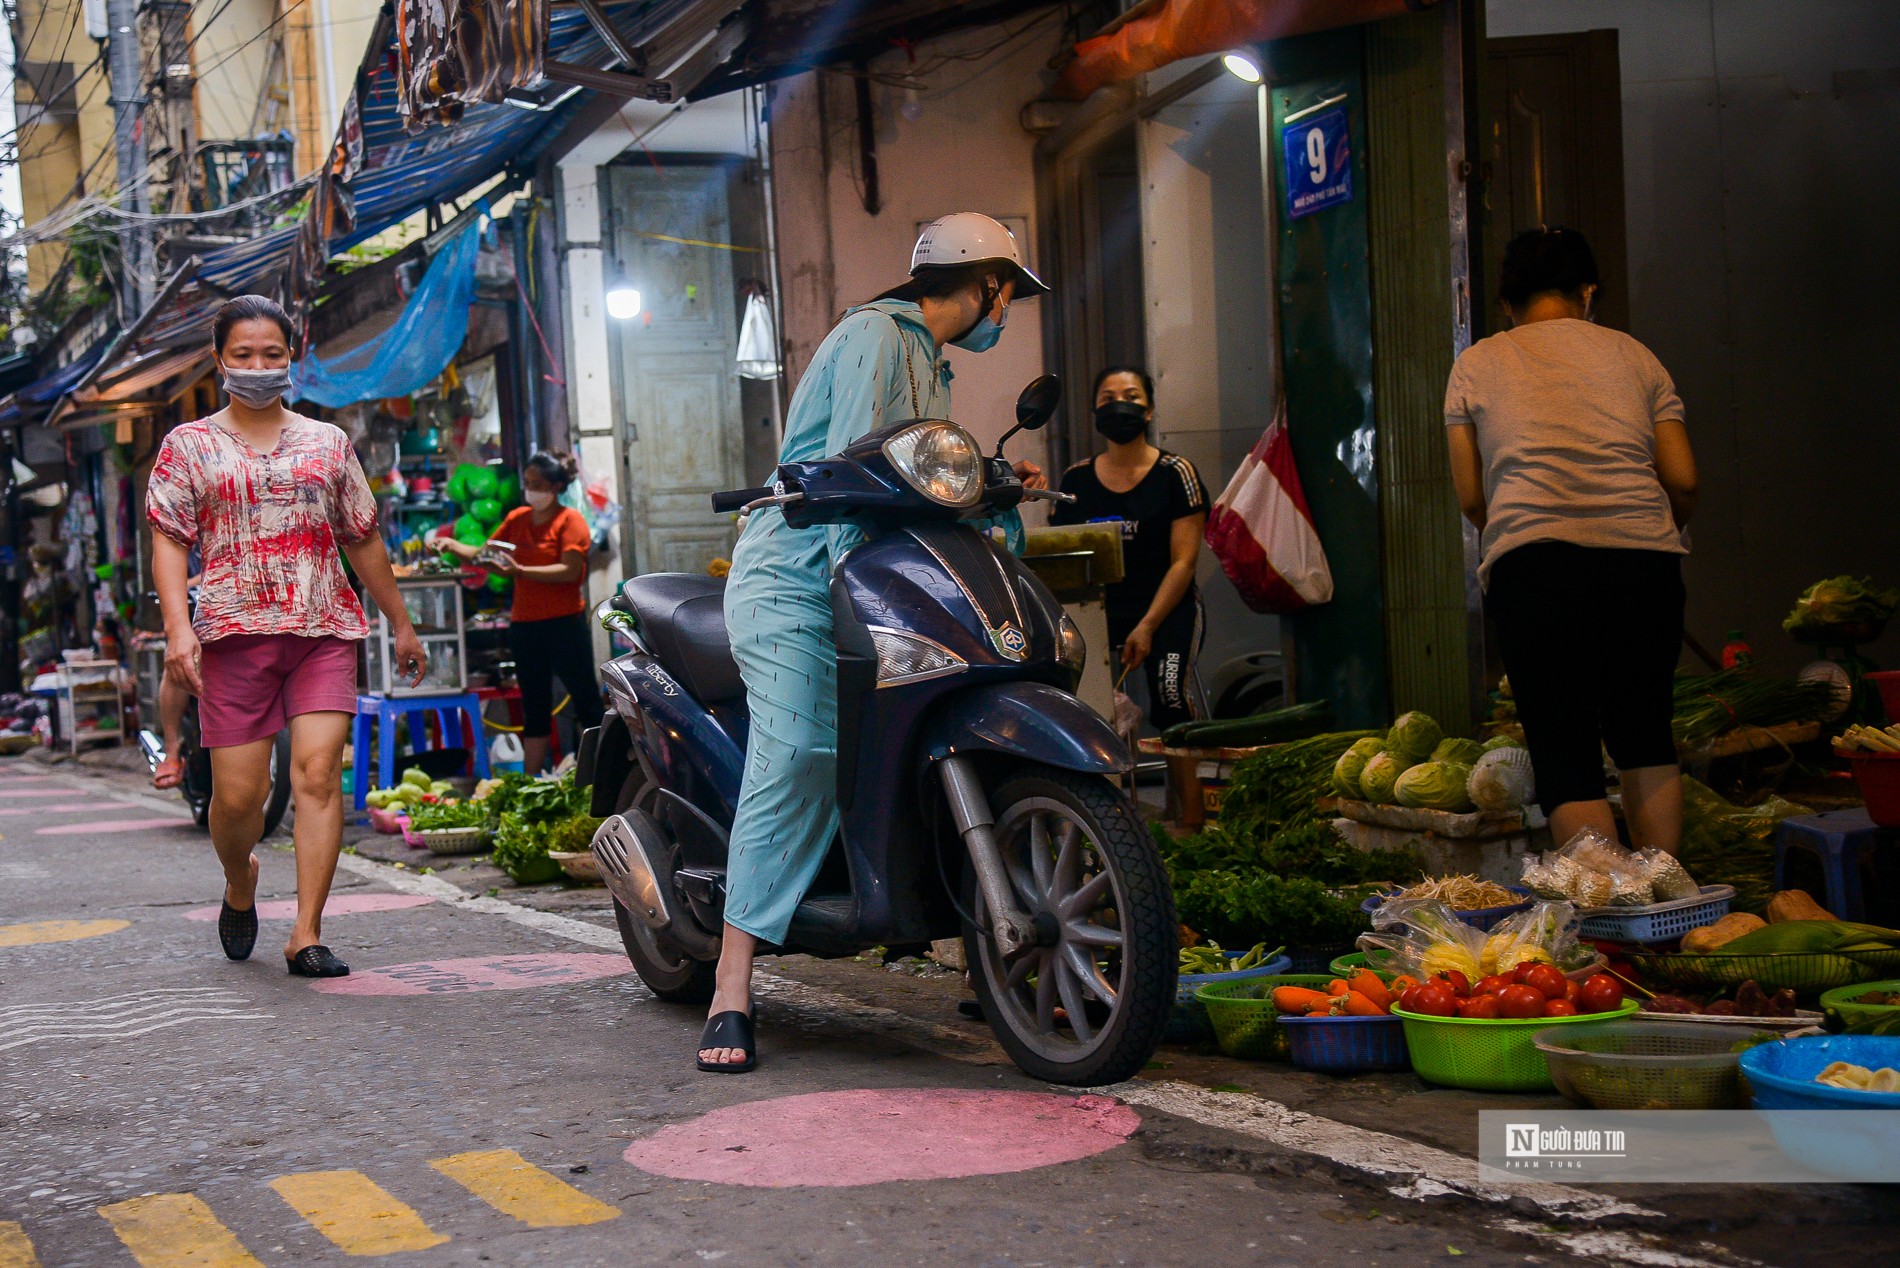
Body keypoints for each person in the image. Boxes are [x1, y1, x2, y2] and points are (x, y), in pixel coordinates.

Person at [699, 213, 1049, 1073]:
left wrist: (994, 485)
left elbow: (920, 477)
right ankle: (731, 987)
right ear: (985, 283)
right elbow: (859, 470)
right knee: (804, 751)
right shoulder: (872, 336)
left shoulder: (931, 362)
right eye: (1008, 294)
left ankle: (971, 936)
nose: (1006, 312)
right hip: (795, 579)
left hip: (867, 575)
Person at [147, 294, 428, 977]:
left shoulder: (327, 443)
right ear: (220, 361)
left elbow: (362, 538)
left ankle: (306, 932)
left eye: (272, 354)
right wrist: (178, 630)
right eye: (243, 355)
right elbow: (168, 540)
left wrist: (399, 619)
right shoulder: (189, 446)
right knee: (239, 799)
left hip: (322, 627)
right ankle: (240, 880)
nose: (258, 366)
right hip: (233, 635)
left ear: (292, 359)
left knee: (318, 774)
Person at [1444, 226, 1698, 854]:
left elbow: (1472, 498)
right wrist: (1652, 523)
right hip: (1645, 562)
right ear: (1588, 291)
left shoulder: (1475, 363)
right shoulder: (1638, 357)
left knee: (1564, 746)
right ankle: (1663, 895)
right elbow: (1683, 478)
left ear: (1507, 303)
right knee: (1644, 733)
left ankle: (1613, 910)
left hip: (1535, 564)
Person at [1050, 366, 1209, 804]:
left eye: (1131, 395)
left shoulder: (1177, 473)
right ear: (1094, 411)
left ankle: (1191, 822)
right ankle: (1102, 818)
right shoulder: (1076, 480)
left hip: (1165, 608)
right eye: (1107, 396)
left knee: (1170, 699)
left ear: (1150, 409)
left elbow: (1185, 561)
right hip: (1097, 612)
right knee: (1081, 705)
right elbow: (1060, 559)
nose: (1119, 404)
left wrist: (1148, 625)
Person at [436, 451, 602, 773]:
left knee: (587, 702)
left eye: (537, 484)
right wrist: (456, 547)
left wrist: (521, 571)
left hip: (565, 623)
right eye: (527, 484)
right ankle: (529, 779)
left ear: (555, 487)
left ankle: (600, 775)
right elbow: (487, 554)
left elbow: (570, 571)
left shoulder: (571, 522)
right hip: (525, 626)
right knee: (534, 706)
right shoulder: (517, 520)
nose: (530, 490)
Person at [151, 545, 202, 790]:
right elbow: (167, 563)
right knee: (178, 667)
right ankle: (172, 752)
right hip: (191, 612)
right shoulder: (178, 527)